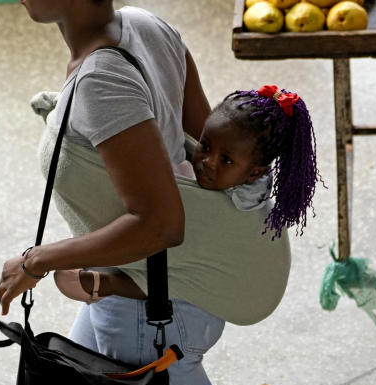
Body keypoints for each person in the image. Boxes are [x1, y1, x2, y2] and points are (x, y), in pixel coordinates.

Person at [0, 0, 227, 385]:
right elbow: (204, 154)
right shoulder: (151, 27)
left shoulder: (102, 81)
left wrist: (37, 260)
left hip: (149, 320)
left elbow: (161, 222)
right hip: (146, 297)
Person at [52, 84, 320, 304]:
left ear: (254, 174)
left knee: (177, 279)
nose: (208, 162)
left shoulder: (240, 209)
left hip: (191, 299)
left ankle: (107, 286)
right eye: (204, 145)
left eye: (226, 160)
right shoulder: (200, 173)